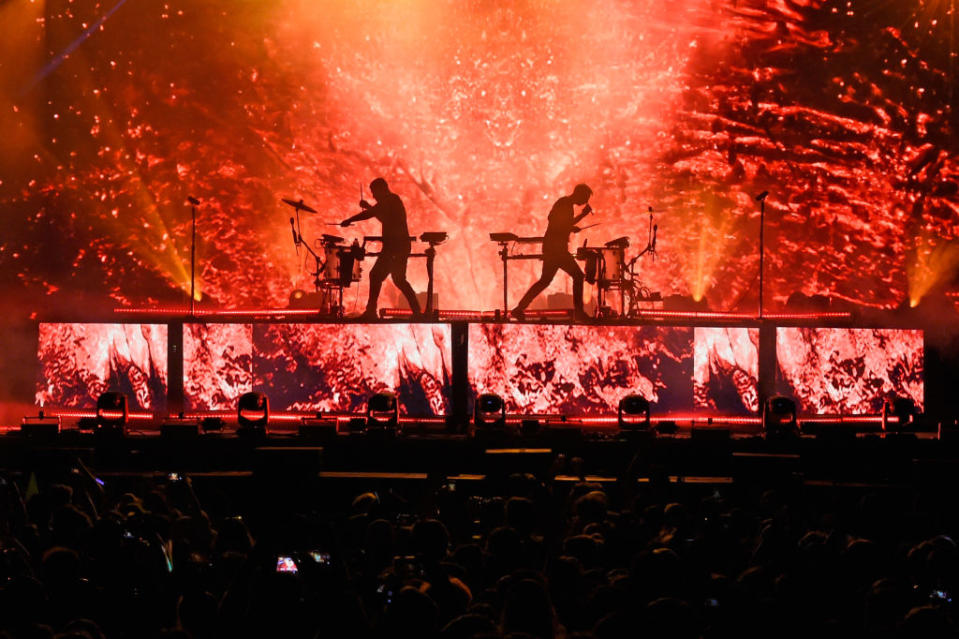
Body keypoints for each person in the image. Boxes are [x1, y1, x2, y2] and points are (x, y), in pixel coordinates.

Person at [341, 178, 422, 320]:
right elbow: (383, 217)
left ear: (381, 189)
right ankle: (417, 312)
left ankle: (371, 311)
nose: (373, 196)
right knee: (399, 280)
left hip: (394, 248)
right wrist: (368, 207)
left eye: (374, 192)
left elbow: (371, 214)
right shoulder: (392, 202)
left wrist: (350, 219)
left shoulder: (391, 200)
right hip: (398, 247)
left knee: (377, 275)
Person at [512, 183, 593, 321]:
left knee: (545, 281)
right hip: (557, 250)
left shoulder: (565, 204)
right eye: (585, 198)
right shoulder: (564, 204)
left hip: (553, 248)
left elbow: (560, 223)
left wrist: (574, 224)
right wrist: (574, 224)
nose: (585, 202)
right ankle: (579, 312)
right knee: (578, 276)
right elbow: (557, 223)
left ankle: (519, 308)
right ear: (578, 194)